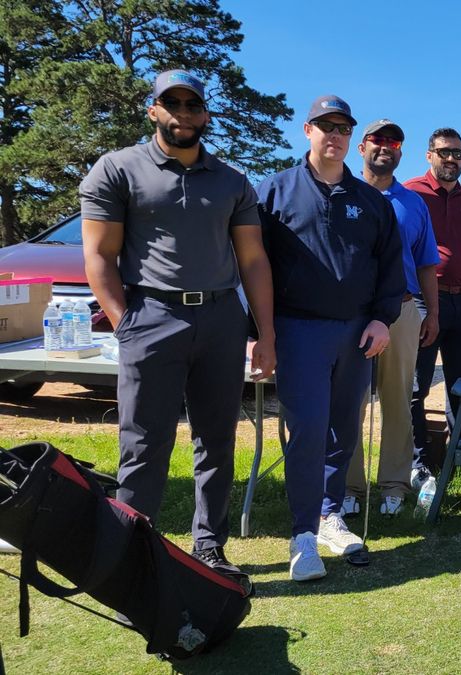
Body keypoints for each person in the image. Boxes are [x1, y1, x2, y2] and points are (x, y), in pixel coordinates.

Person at [80, 69, 274, 586]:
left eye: (193, 104)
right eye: (173, 103)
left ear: (205, 113)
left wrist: (265, 334)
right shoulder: (117, 169)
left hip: (219, 320)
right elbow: (98, 256)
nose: (183, 113)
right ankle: (130, 556)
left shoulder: (232, 181)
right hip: (152, 316)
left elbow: (253, 261)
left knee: (217, 440)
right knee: (144, 443)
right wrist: (128, 325)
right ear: (154, 110)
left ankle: (209, 548)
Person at [256, 95, 408, 582]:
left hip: (357, 333)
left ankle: (327, 515)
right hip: (298, 330)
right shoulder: (273, 193)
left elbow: (390, 267)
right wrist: (256, 333)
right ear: (307, 131)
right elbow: (251, 267)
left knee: (344, 429)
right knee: (307, 432)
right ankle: (302, 535)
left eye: (343, 128)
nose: (335, 135)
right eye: (326, 126)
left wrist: (383, 319)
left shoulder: (370, 202)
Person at [342, 119, 441, 517]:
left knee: (400, 400)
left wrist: (431, 312)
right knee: (349, 401)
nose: (386, 147)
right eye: (379, 140)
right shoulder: (342, 192)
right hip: (351, 312)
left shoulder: (413, 202)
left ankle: (395, 484)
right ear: (362, 147)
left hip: (400, 310)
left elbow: (426, 263)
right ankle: (347, 486)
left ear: (402, 151)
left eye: (394, 142)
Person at [404, 128, 461, 483]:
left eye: (458, 154)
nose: (451, 159)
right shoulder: (410, 193)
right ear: (429, 155)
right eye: (445, 152)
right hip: (421, 302)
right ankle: (419, 463)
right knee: (417, 387)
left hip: (460, 301)